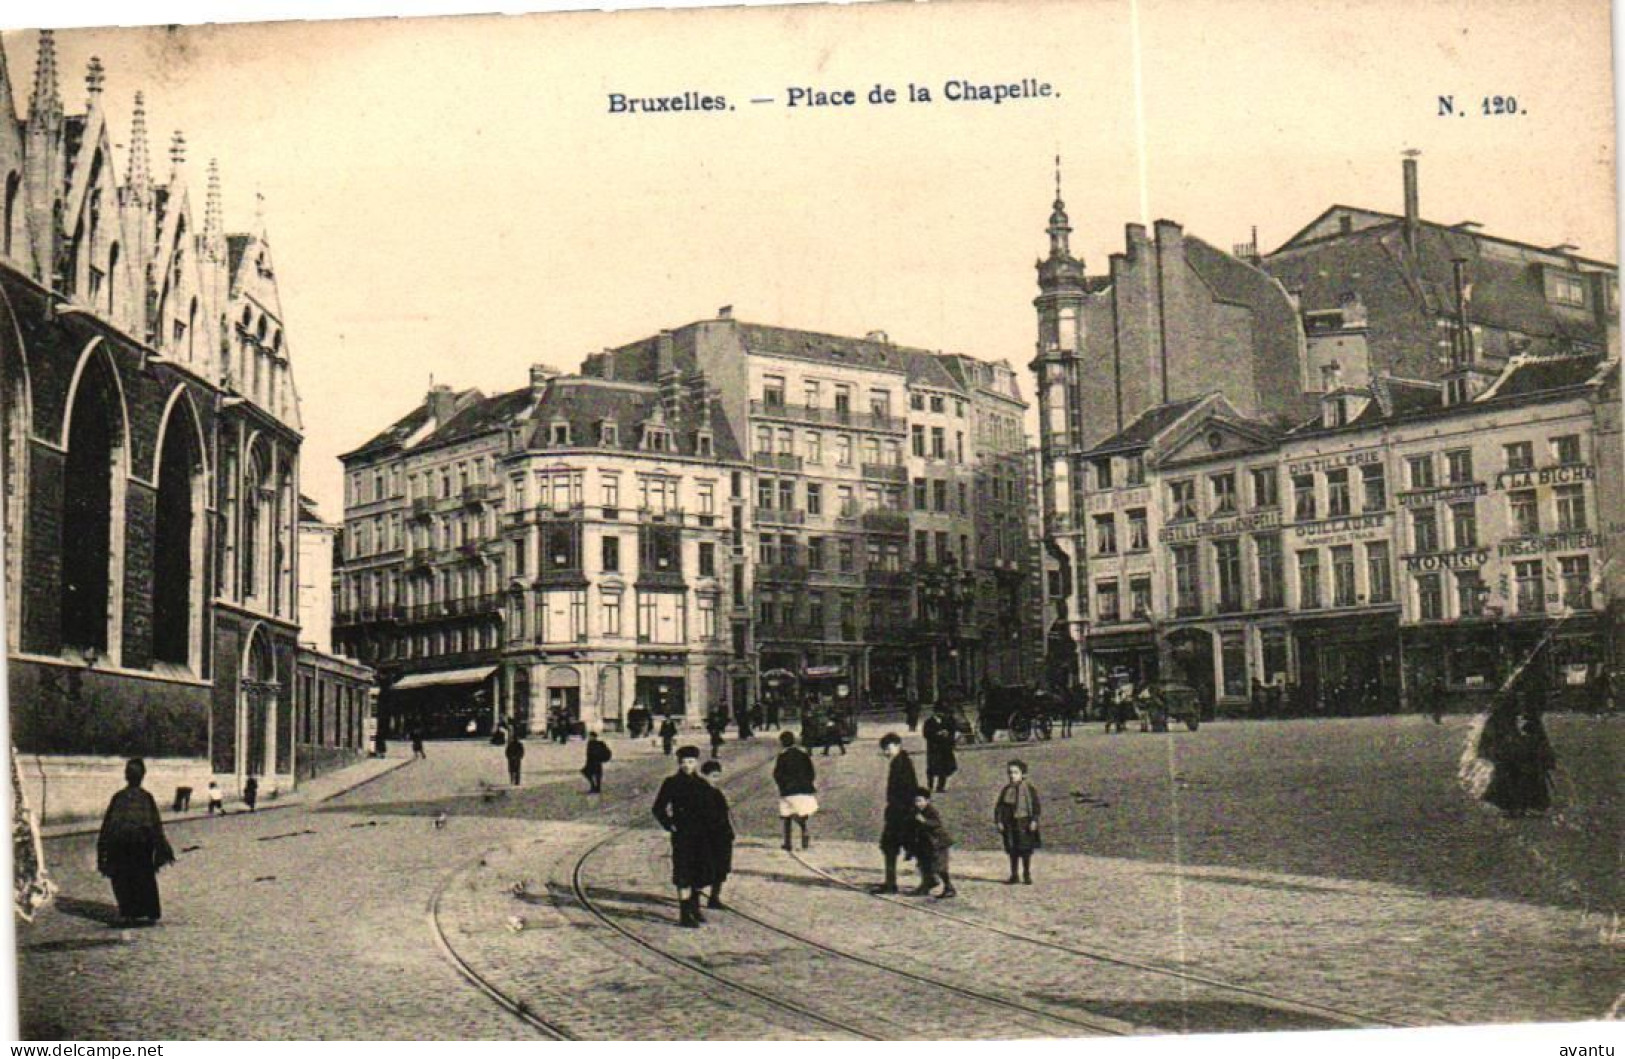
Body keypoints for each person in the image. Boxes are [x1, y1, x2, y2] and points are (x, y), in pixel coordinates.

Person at [96, 759, 176, 925]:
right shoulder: (146, 797)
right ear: (142, 776)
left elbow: (108, 825)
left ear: (126, 776)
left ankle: (130, 912)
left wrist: (103, 849)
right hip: (142, 845)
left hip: (122, 845)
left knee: (125, 879)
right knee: (144, 877)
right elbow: (155, 825)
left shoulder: (119, 798)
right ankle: (149, 911)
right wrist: (161, 847)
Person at [651, 747, 715, 928]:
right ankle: (684, 914)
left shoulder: (702, 784)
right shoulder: (671, 783)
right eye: (683, 762)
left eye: (691, 762)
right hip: (683, 834)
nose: (687, 766)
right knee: (683, 872)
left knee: (700, 871)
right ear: (678, 763)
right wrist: (669, 824)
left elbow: (711, 809)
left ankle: (695, 907)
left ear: (696, 763)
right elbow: (658, 808)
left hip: (702, 835)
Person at [871, 733, 921, 895]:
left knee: (903, 847)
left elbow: (908, 790)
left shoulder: (901, 763)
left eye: (888, 748)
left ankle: (893, 883)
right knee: (893, 847)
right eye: (884, 749)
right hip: (899, 813)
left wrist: (904, 813)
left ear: (897, 745)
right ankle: (891, 882)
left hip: (900, 814)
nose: (886, 752)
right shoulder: (900, 761)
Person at [994, 759, 1042, 884]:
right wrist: (999, 821)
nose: (1012, 776)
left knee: (1025, 849)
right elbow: (999, 807)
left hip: (1023, 821)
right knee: (1012, 849)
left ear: (1023, 775)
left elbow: (1036, 806)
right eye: (1010, 773)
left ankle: (1026, 873)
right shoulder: (1006, 790)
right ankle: (1014, 874)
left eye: (1015, 773)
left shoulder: (1029, 790)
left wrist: (1034, 820)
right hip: (1009, 822)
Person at [698, 760, 736, 910]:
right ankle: (697, 900)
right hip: (707, 837)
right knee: (705, 868)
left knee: (721, 868)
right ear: (704, 775)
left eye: (717, 776)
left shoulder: (715, 791)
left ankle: (714, 898)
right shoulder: (699, 792)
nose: (716, 779)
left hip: (721, 835)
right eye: (713, 776)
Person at [772, 731, 818, 851]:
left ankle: (788, 843)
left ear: (783, 743)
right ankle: (804, 829)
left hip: (789, 790)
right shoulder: (803, 754)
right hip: (804, 789)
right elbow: (811, 772)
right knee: (802, 812)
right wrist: (808, 783)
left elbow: (777, 774)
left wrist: (782, 786)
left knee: (787, 815)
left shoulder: (783, 756)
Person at [910, 787, 956, 899]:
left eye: (920, 801)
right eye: (915, 801)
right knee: (924, 864)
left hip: (938, 843)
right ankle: (927, 883)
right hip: (925, 843)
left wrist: (924, 821)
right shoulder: (915, 811)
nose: (917, 804)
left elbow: (936, 823)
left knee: (940, 867)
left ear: (927, 801)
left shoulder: (931, 811)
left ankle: (949, 888)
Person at [923, 704, 958, 793]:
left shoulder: (946, 721)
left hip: (944, 748)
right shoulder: (929, 722)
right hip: (933, 748)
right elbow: (926, 734)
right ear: (936, 712)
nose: (942, 714)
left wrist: (948, 735)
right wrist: (937, 734)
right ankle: (930, 785)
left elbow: (952, 731)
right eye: (940, 712)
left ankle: (940, 787)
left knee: (944, 768)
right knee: (932, 768)